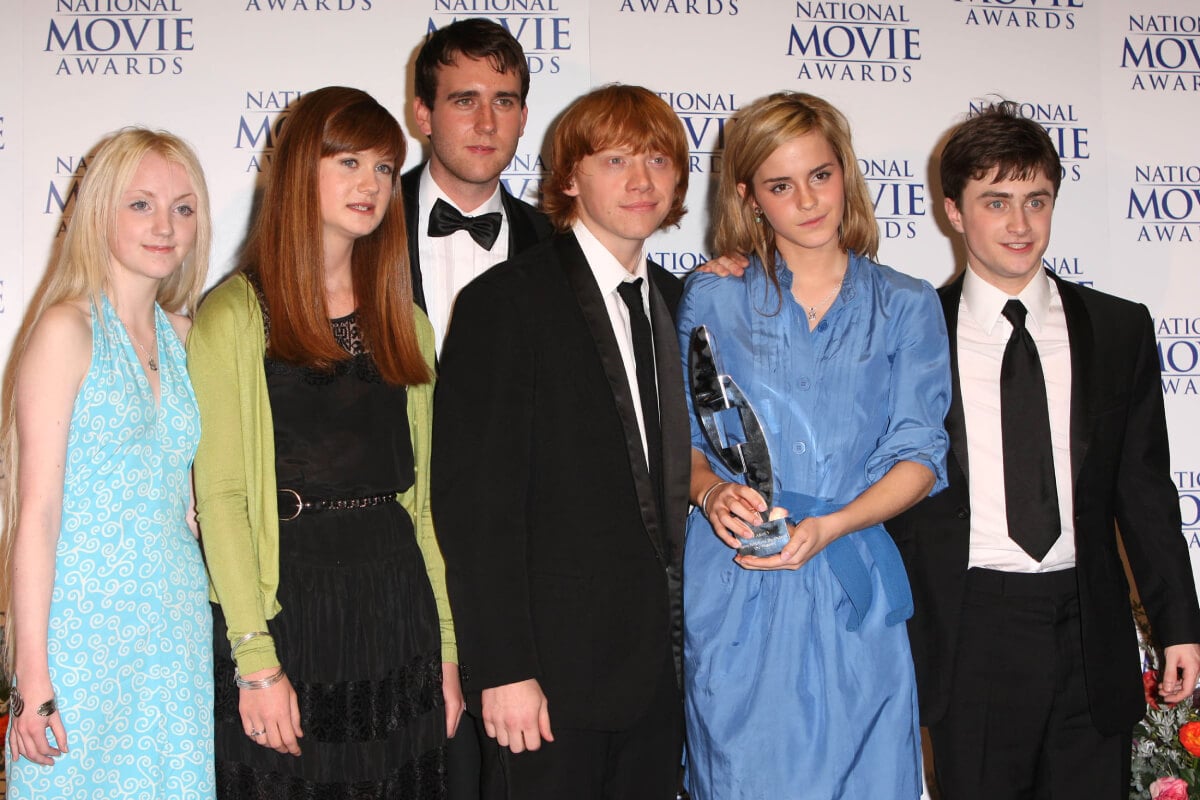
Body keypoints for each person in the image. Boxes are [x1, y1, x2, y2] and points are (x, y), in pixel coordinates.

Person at [886, 101, 1200, 799]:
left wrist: (1179, 622)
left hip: (1091, 625)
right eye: (995, 202)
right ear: (953, 211)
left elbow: (1144, 489)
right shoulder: (911, 331)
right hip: (971, 627)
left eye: (1037, 200)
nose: (1021, 224)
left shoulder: (1119, 328)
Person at [187, 86, 463, 798]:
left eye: (381, 166)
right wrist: (256, 662)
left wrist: (449, 655)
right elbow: (219, 500)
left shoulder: (406, 323)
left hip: (396, 610)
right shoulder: (237, 316)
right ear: (299, 170)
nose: (369, 184)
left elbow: (423, 505)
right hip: (291, 611)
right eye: (346, 162)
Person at [680, 91, 951, 799]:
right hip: (738, 578)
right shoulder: (711, 298)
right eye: (780, 184)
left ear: (846, 174)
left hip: (851, 575)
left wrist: (833, 525)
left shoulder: (907, 302)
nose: (807, 199)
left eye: (821, 175)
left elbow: (921, 454)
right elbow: (677, 443)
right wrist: (709, 493)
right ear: (748, 196)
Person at [432, 84, 691, 800]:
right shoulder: (504, 304)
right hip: (546, 683)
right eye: (615, 160)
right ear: (570, 177)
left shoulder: (680, 302)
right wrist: (504, 667)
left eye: (658, 160)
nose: (641, 181)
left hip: (660, 678)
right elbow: (475, 505)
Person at [3, 128, 214, 798]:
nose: (165, 225)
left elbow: (185, 494)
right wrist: (31, 674)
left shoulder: (185, 337)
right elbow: (35, 514)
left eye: (183, 208)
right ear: (99, 212)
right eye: (141, 204)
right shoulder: (67, 331)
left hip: (174, 631)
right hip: (81, 633)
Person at [405, 17, 553, 354]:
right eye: (465, 101)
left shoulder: (556, 244)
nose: (486, 124)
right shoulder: (368, 225)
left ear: (523, 119)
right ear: (424, 114)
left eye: (503, 102)